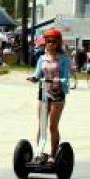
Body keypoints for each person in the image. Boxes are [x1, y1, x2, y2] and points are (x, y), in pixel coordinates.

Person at [30, 28, 71, 162]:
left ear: (58, 43)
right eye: (48, 41)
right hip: (43, 92)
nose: (50, 44)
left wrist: (60, 81)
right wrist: (34, 78)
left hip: (57, 94)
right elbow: (38, 74)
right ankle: (39, 153)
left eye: (53, 41)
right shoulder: (42, 58)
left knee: (53, 126)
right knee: (42, 124)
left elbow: (66, 76)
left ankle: (53, 155)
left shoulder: (64, 59)